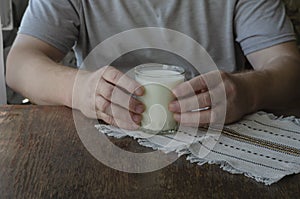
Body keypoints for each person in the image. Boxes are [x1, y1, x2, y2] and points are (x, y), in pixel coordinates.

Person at [6, 0, 300, 130]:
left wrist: (248, 91)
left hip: (219, 142)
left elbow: (290, 69)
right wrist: (79, 88)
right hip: (102, 143)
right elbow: (19, 63)